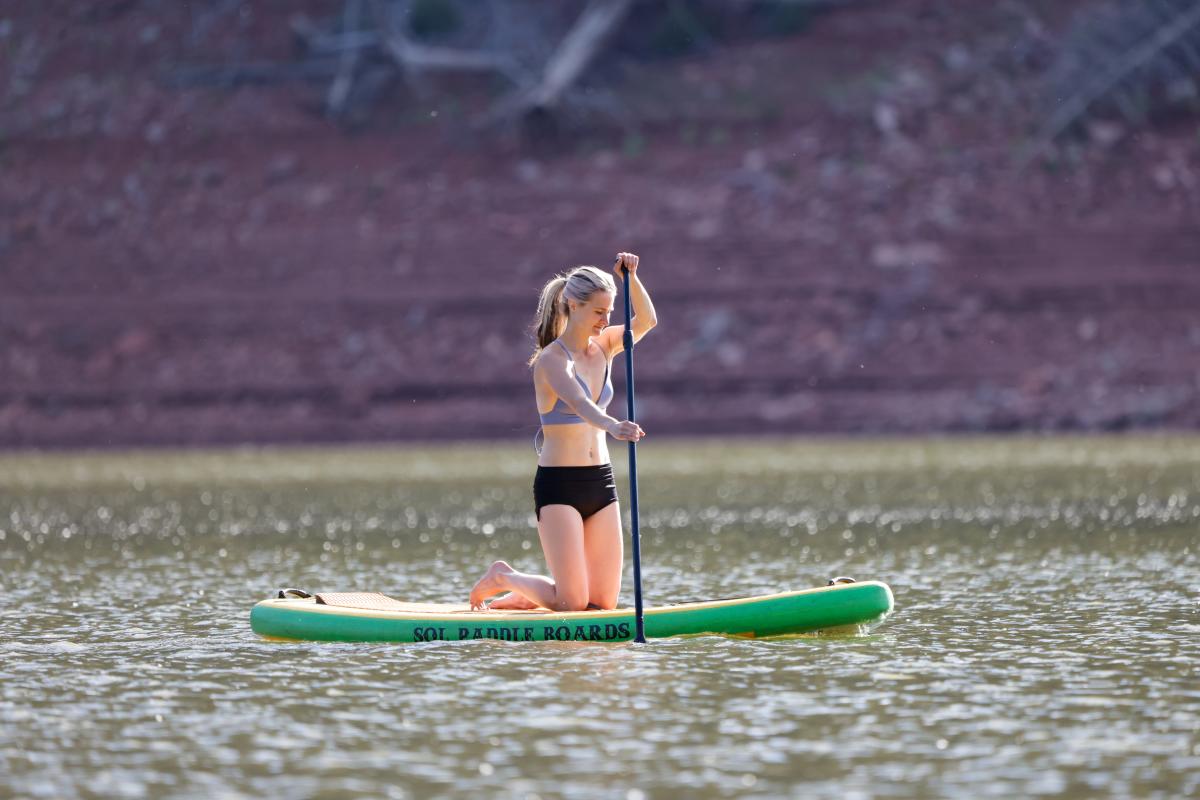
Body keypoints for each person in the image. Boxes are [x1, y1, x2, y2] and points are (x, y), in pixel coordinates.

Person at [469, 252, 657, 611]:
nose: (606, 320)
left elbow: (647, 320)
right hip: (559, 485)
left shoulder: (606, 346)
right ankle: (503, 577)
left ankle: (529, 598)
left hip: (601, 481)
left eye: (610, 311)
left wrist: (630, 278)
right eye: (599, 312)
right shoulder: (551, 360)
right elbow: (580, 404)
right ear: (574, 305)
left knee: (602, 604)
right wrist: (614, 425)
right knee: (573, 603)